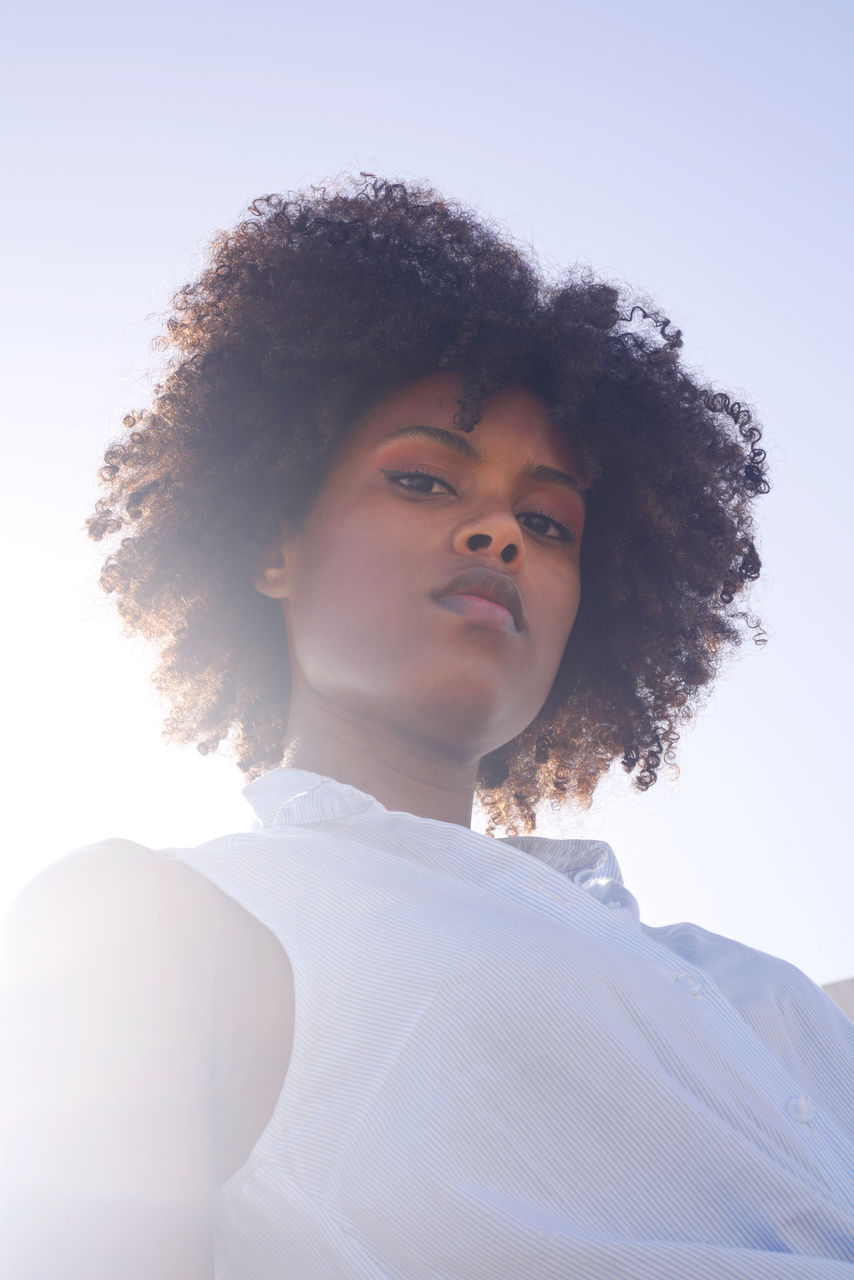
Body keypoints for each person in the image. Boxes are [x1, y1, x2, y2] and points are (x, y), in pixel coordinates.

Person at [1, 174, 852, 1279]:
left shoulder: (745, 981)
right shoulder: (157, 923)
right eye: (421, 480)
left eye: (546, 522)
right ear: (274, 547)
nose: (498, 529)